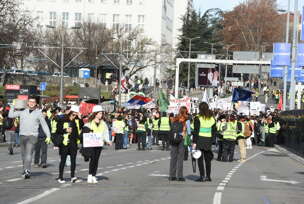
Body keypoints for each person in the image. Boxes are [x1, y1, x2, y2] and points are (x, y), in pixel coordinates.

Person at [8, 96, 51, 179]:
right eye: (30, 102)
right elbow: (10, 115)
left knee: (29, 153)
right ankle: (25, 169)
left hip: (32, 136)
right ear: (27, 103)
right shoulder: (22, 112)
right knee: (23, 155)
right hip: (22, 135)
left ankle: (27, 170)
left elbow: (44, 125)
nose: (31, 103)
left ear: (36, 104)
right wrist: (12, 106)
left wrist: (48, 136)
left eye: (33, 102)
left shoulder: (38, 113)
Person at [80, 105, 112, 184]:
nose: (101, 115)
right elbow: (84, 131)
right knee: (93, 159)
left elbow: (105, 133)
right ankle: (90, 175)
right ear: (95, 114)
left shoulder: (103, 123)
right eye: (100, 113)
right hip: (91, 144)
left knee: (96, 160)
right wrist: (88, 132)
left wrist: (108, 140)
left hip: (99, 144)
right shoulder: (89, 123)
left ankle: (94, 175)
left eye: (102, 113)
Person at [56, 105, 82, 183]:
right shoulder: (63, 119)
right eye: (73, 114)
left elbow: (81, 127)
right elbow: (58, 130)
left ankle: (73, 176)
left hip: (73, 143)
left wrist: (80, 118)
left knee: (73, 161)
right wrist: (65, 130)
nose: (74, 116)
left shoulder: (76, 121)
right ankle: (60, 177)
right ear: (70, 113)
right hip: (64, 143)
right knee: (63, 160)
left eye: (76, 114)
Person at [192, 102, 215, 182]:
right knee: (208, 159)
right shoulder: (212, 118)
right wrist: (212, 140)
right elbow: (214, 130)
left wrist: (194, 142)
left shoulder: (197, 118)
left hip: (200, 139)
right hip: (208, 140)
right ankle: (208, 176)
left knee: (200, 159)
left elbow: (196, 131)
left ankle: (202, 176)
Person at [168, 106, 189, 182]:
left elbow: (171, 128)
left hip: (174, 138)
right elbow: (189, 131)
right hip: (181, 139)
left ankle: (172, 175)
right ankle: (179, 176)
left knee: (173, 157)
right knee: (180, 158)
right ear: (186, 111)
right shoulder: (186, 120)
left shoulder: (174, 119)